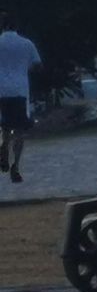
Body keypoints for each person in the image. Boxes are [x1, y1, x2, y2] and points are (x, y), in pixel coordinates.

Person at [0, 12, 42, 183]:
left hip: (1, 90)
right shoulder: (26, 44)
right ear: (16, 25)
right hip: (20, 91)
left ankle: (3, 149)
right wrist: (23, 70)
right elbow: (38, 65)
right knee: (19, 130)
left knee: (3, 127)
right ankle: (15, 166)